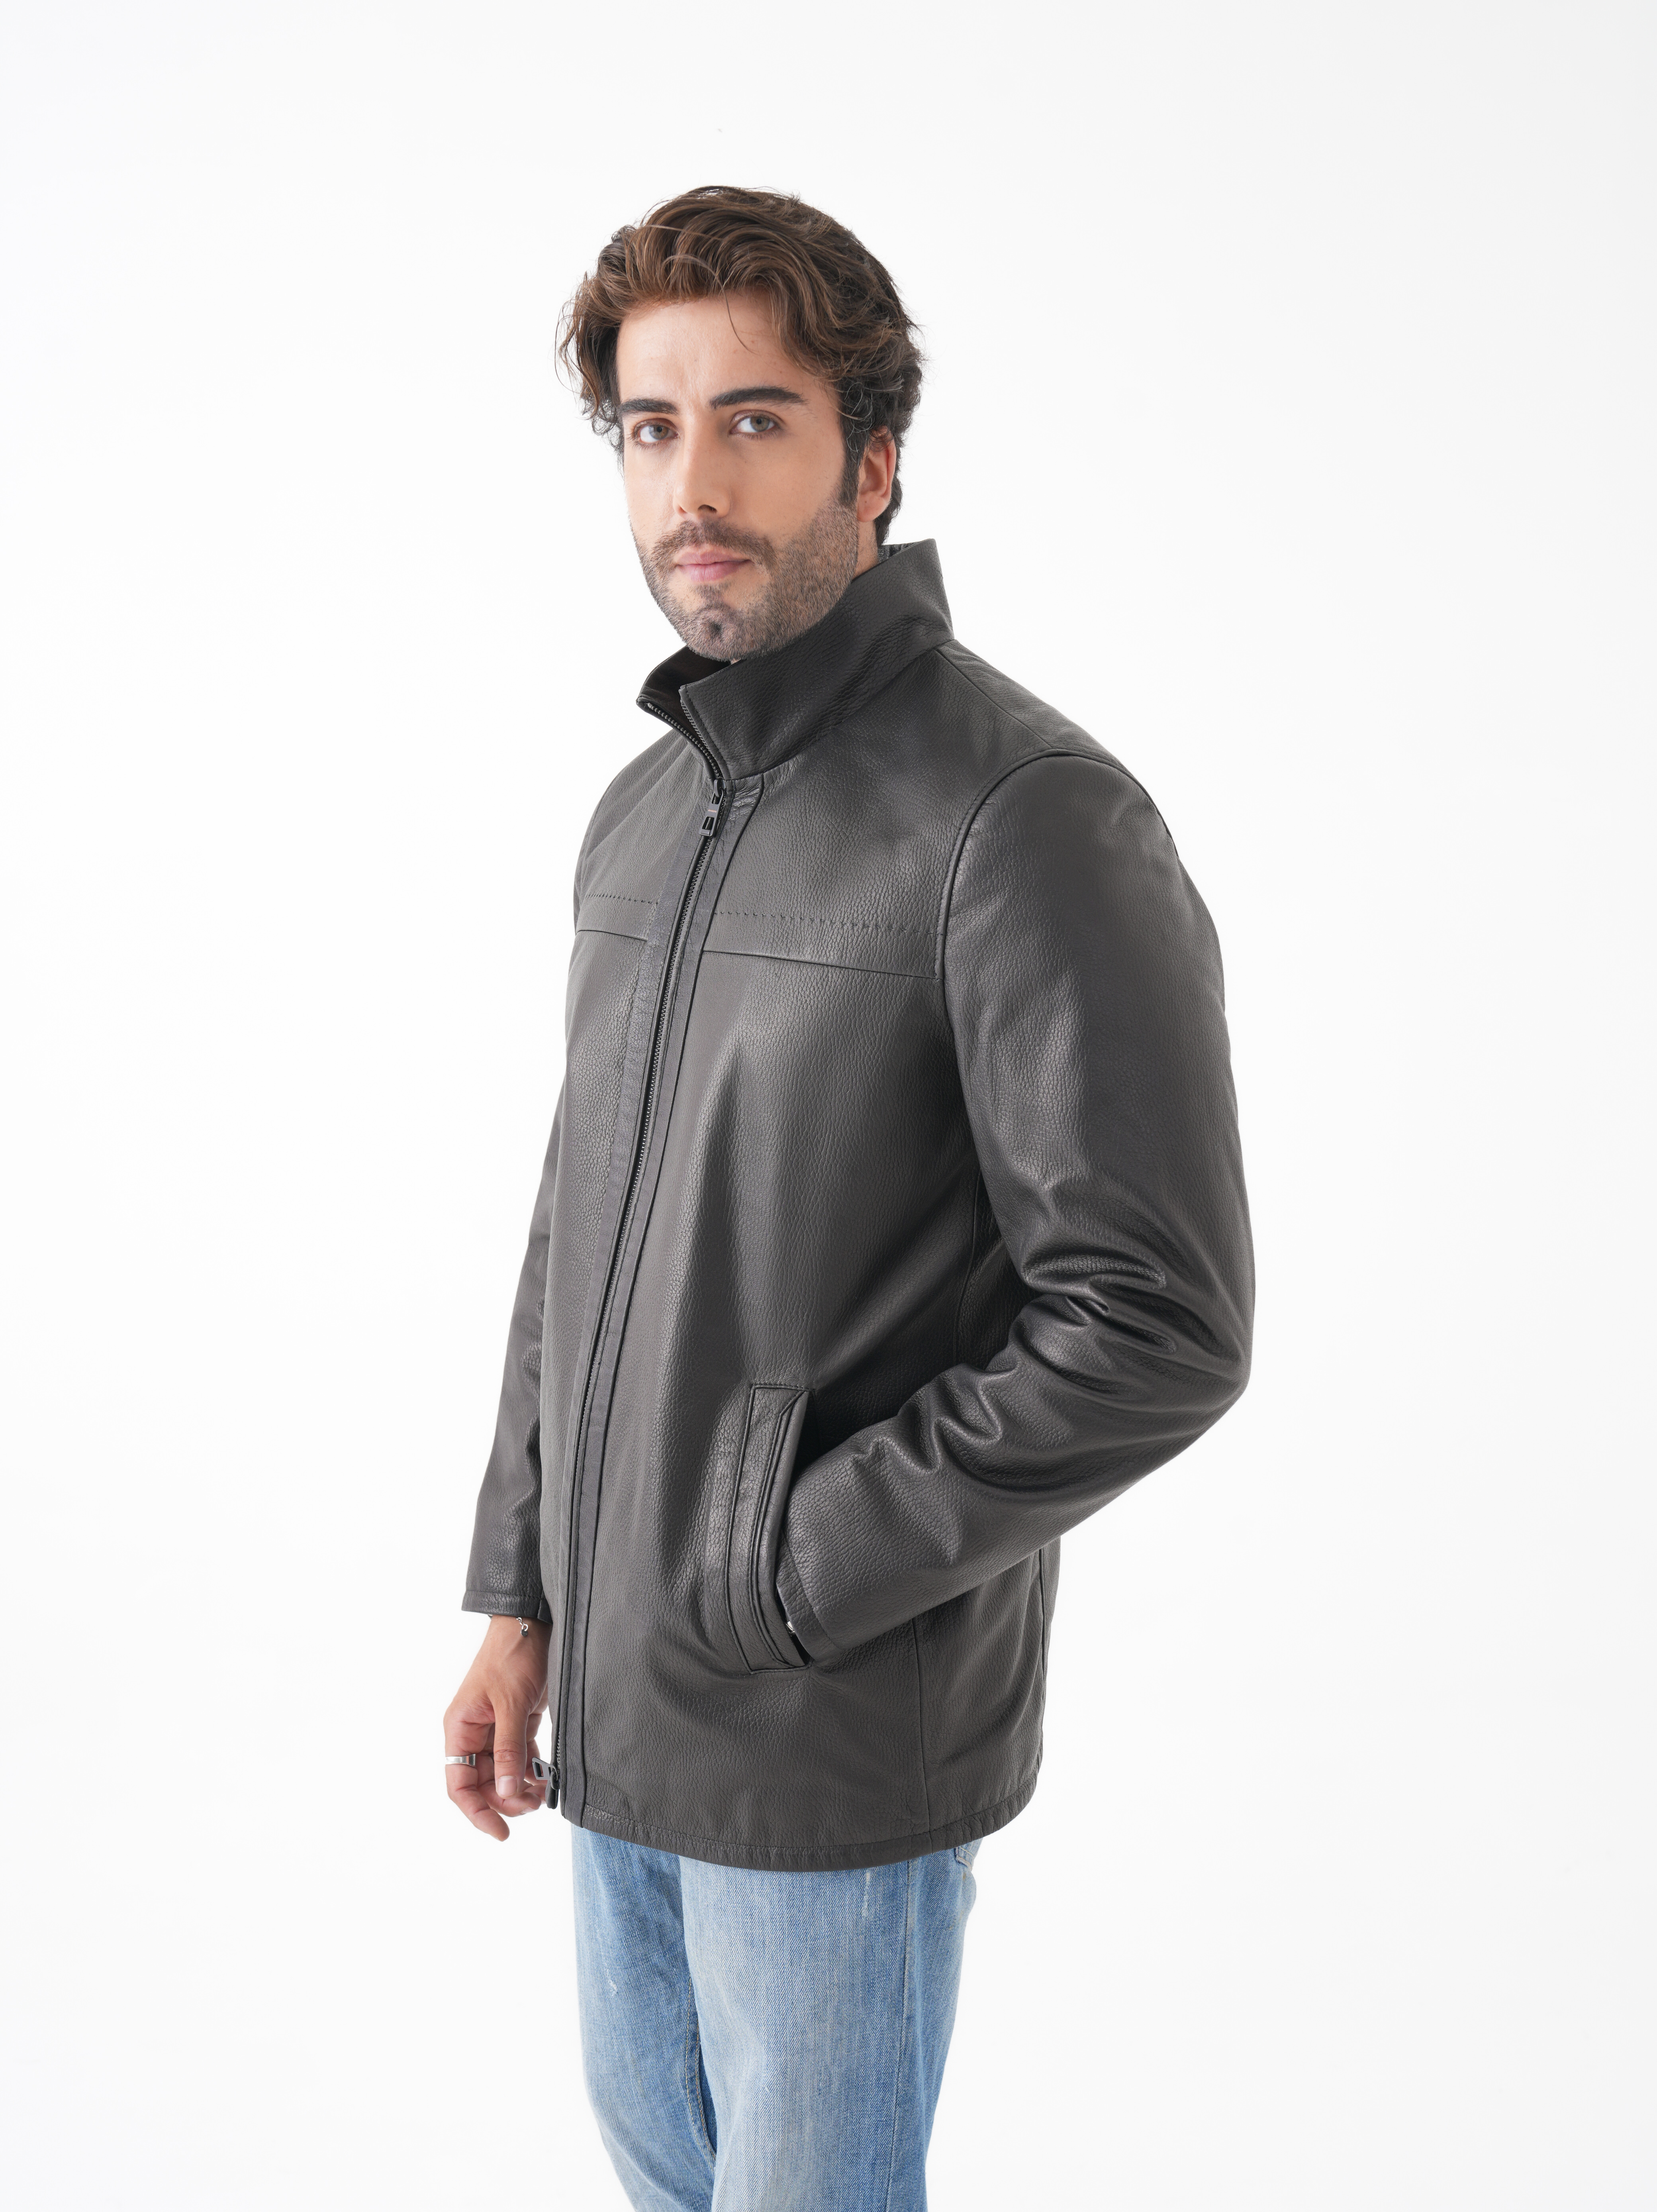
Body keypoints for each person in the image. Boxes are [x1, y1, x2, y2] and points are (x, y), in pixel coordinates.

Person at [443, 185, 1254, 2212]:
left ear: (872, 460)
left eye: (754, 420)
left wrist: (780, 1570)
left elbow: (1154, 1321)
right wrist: (523, 1594)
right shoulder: (646, 812)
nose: (691, 486)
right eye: (650, 427)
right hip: (613, 1723)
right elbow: (579, 1229)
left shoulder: (1026, 817)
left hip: (822, 1737)